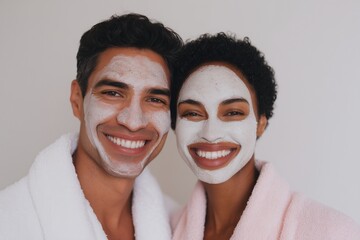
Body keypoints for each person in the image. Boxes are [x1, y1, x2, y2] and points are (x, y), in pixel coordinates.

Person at [0, 13, 182, 240]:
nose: (133, 122)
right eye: (113, 93)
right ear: (77, 100)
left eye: (155, 99)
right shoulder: (7, 221)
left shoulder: (178, 226)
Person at [170, 33, 360, 240]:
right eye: (192, 113)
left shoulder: (334, 232)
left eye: (233, 112)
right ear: (174, 124)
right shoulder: (165, 229)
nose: (210, 134)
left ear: (261, 123)